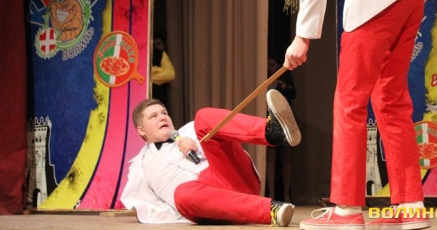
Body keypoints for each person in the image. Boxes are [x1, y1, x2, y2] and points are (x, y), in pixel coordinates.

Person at [255, 0, 430, 230]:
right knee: (390, 100)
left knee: (350, 101)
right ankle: (410, 206)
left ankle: (347, 210)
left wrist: (302, 37)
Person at [120, 89, 301, 226]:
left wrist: (197, 147)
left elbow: (226, 150)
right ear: (141, 130)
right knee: (182, 195)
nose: (162, 118)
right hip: (210, 204)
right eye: (154, 116)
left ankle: (273, 132)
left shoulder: (190, 130)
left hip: (233, 179)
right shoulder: (140, 165)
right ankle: (271, 211)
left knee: (203, 117)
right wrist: (175, 211)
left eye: (164, 113)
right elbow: (139, 203)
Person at [266, 55, 296, 202]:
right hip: (269, 122)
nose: (269, 68)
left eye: (272, 64)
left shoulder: (285, 79)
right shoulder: (263, 79)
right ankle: (271, 194)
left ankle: (286, 195)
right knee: (270, 158)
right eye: (267, 65)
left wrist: (282, 87)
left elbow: (293, 95)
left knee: (286, 159)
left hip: (285, 122)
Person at [151, 33, 175, 106]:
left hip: (159, 96)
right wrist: (158, 70)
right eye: (153, 45)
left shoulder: (161, 54)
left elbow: (171, 74)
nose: (156, 47)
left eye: (158, 44)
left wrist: (152, 72)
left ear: (164, 45)